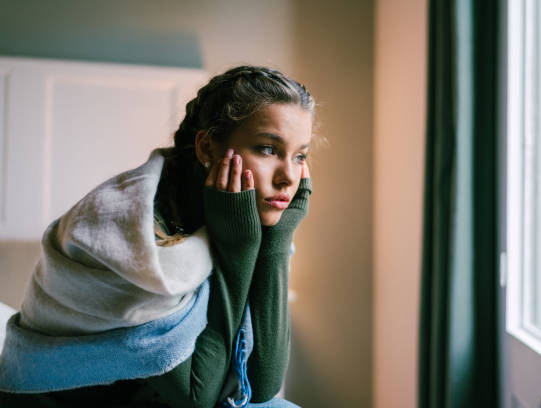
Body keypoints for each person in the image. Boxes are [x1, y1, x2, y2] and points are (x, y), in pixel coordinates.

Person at [0, 65, 315, 408]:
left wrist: (278, 239)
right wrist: (237, 252)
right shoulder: (129, 230)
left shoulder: (237, 220)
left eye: (300, 156)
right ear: (207, 148)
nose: (289, 177)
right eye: (268, 149)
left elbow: (262, 384)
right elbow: (197, 398)